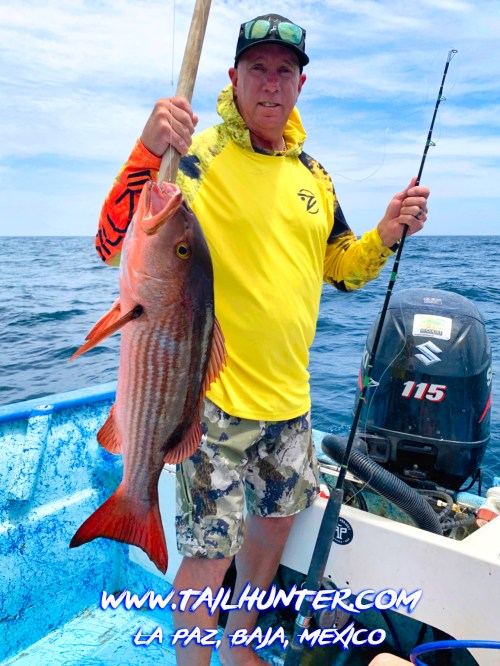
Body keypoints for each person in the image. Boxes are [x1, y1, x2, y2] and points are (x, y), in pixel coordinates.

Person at [96, 13, 429, 666]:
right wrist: (147, 148)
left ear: (301, 84)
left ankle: (239, 644)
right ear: (234, 77)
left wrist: (386, 235)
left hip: (290, 404)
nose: (271, 83)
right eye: (258, 69)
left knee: (272, 534)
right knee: (208, 557)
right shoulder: (197, 156)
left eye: (284, 71)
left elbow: (343, 268)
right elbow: (113, 242)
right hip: (212, 401)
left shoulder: (316, 177)